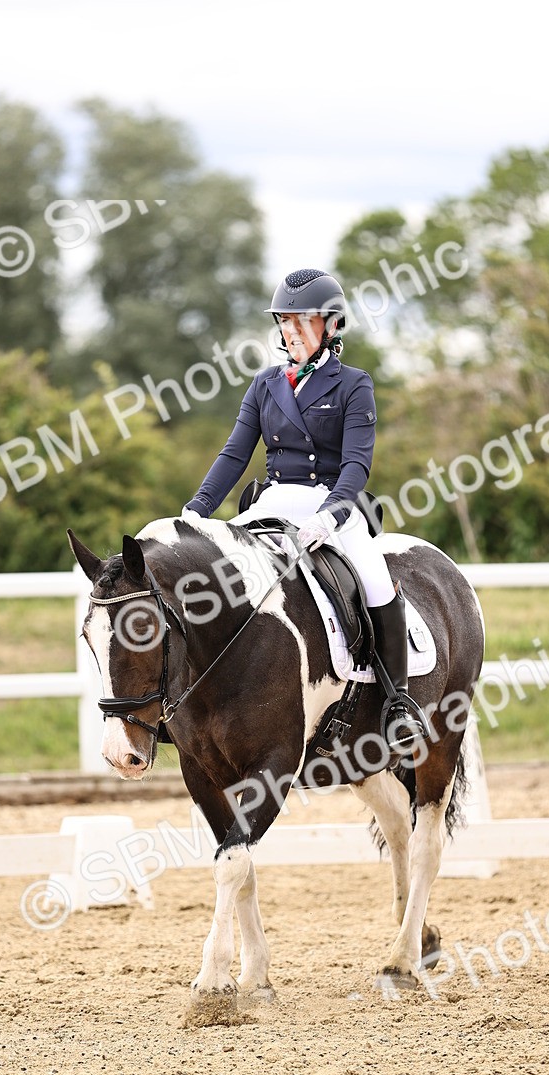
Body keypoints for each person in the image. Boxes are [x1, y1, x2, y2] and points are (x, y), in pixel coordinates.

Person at [182, 268, 426, 753]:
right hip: (273, 501)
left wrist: (332, 514)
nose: (289, 331)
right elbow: (235, 454)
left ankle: (398, 703)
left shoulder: (354, 385)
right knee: (222, 578)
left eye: (301, 321)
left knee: (376, 580)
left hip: (332, 504)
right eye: (283, 321)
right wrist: (196, 511)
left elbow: (357, 464)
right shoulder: (265, 384)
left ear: (331, 326)